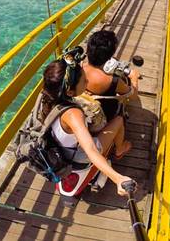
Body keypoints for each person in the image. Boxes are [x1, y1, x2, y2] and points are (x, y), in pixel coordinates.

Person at [42, 52, 134, 196]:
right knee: (118, 121)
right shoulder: (73, 114)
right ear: (70, 91)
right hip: (78, 157)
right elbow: (90, 149)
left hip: (59, 150)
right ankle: (120, 149)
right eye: (84, 82)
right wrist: (118, 178)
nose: (87, 85)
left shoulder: (47, 98)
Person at [84, 30, 139, 154]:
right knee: (119, 119)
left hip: (83, 111)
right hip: (102, 116)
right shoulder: (112, 81)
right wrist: (134, 79)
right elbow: (133, 95)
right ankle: (119, 149)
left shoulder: (80, 68)